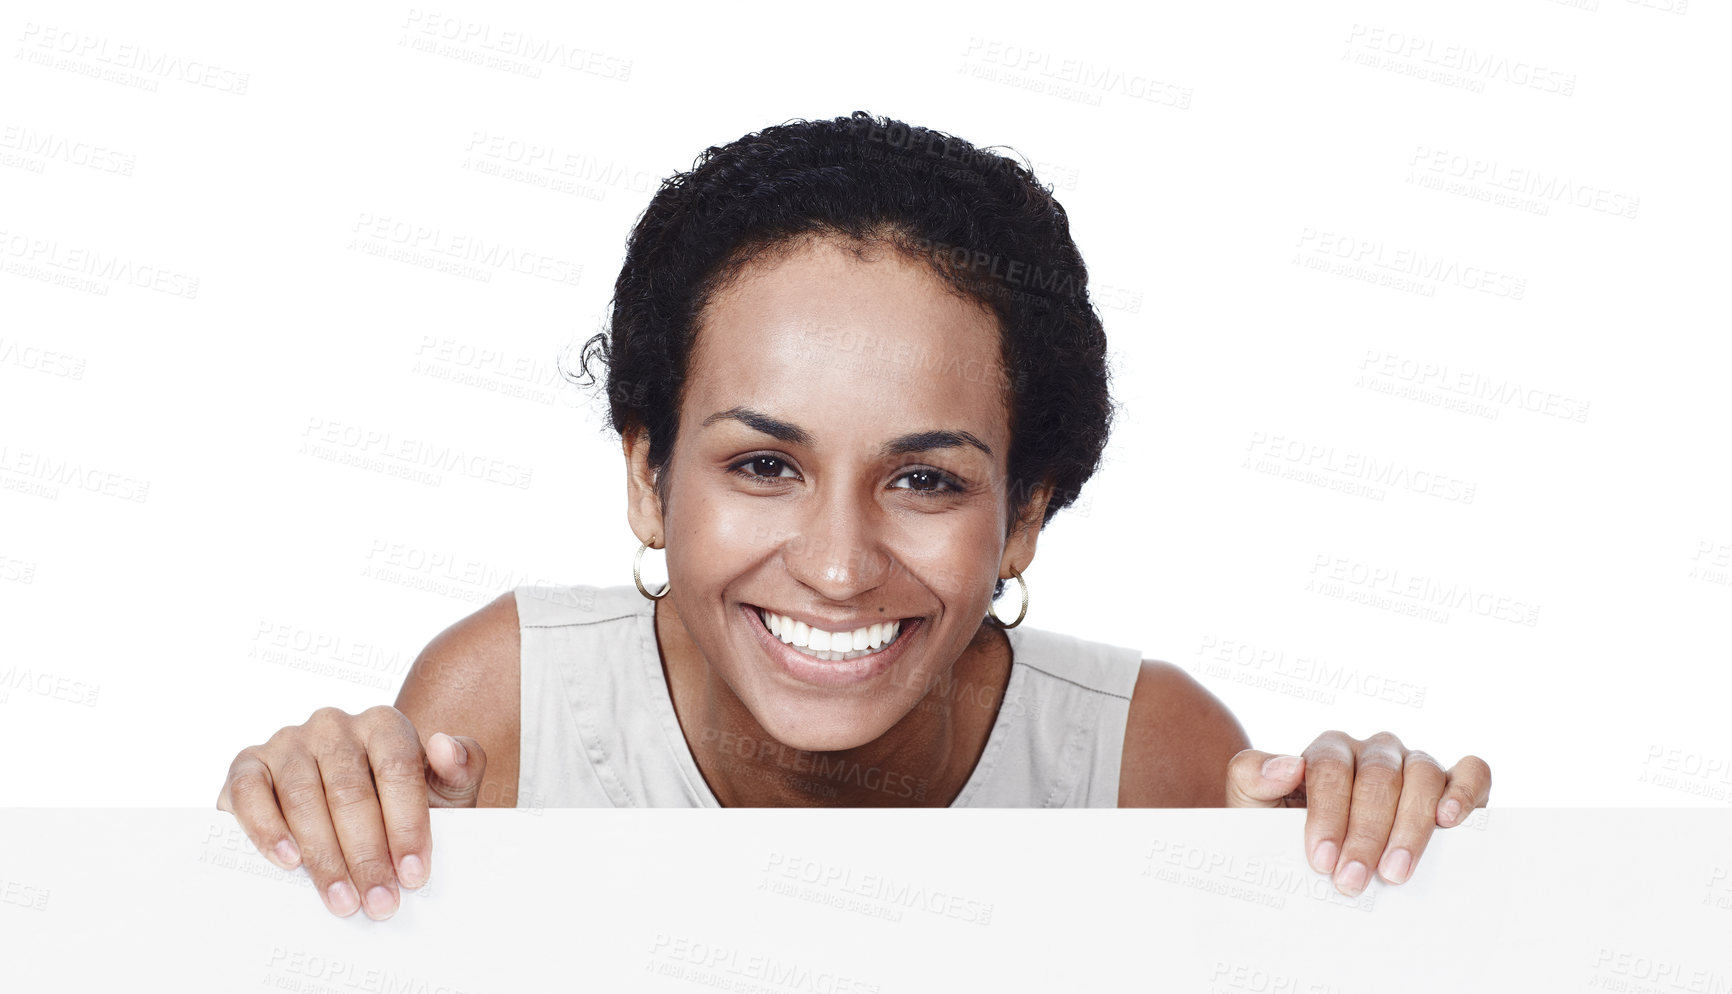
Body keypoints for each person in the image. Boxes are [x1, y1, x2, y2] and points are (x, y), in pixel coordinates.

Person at [217, 112, 1491, 921]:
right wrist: (297, 832)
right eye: (763, 466)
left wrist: (1374, 881)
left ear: (1025, 516)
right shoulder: (502, 705)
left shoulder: (1146, 756)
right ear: (647, 477)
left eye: (926, 479)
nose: (835, 564)